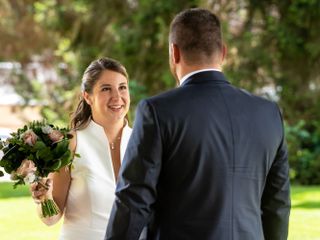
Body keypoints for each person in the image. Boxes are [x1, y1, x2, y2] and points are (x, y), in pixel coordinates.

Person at [105, 8, 291, 240]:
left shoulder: (158, 111)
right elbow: (277, 205)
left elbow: (133, 199)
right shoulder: (269, 114)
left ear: (174, 52)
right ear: (223, 53)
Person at [30, 57, 144, 240]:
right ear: (87, 96)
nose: (117, 97)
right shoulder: (71, 143)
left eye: (122, 87)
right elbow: (52, 218)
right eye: (106, 89)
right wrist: (44, 199)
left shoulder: (143, 142)